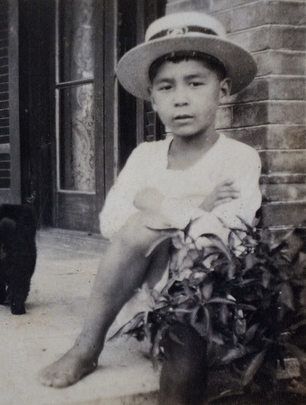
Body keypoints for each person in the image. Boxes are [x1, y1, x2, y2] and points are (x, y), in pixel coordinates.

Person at [38, 12, 261, 404]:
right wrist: (196, 208)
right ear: (153, 98)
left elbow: (224, 239)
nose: (180, 98)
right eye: (165, 87)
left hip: (205, 299)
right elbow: (112, 222)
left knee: (183, 369)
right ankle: (87, 347)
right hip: (143, 297)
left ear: (222, 91)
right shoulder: (146, 156)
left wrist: (160, 204)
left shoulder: (239, 158)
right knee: (140, 227)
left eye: (195, 83)